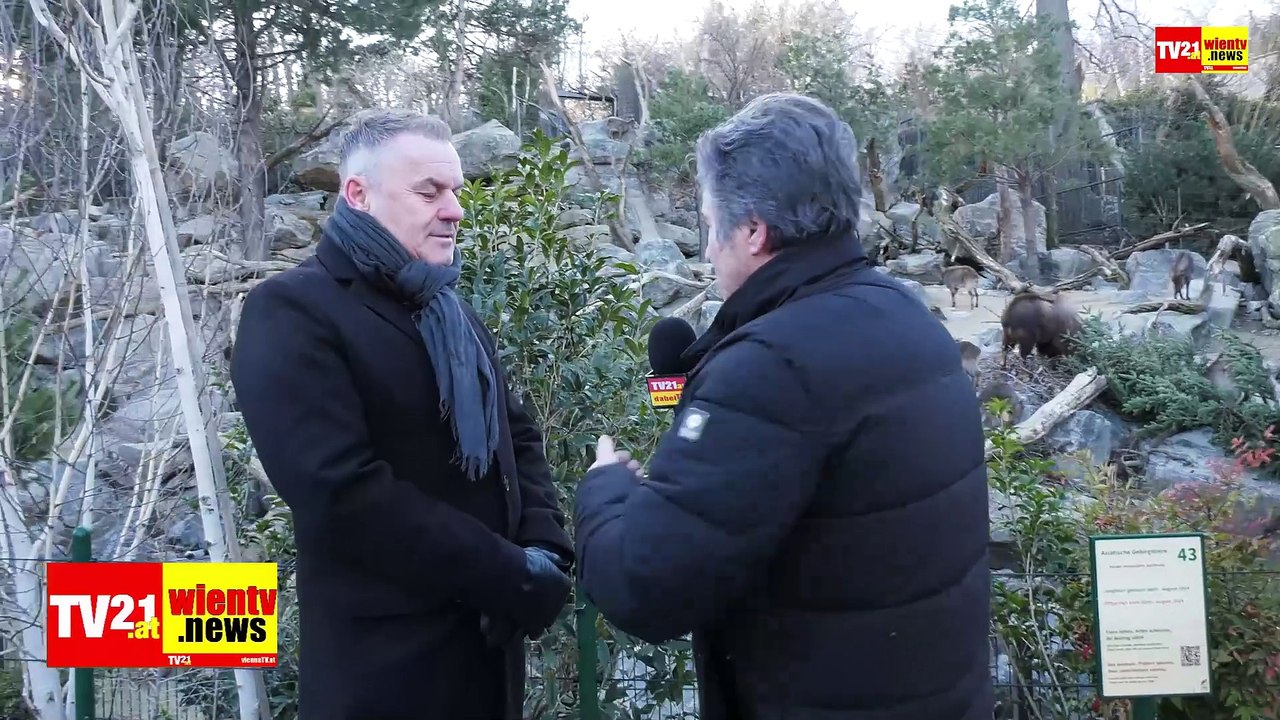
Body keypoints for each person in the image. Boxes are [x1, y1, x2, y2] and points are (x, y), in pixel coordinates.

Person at [573, 93, 994, 720]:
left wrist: (604, 492)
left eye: (713, 226)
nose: (709, 249)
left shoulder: (771, 367)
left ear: (751, 231)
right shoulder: (906, 314)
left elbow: (647, 588)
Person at [230, 109, 574, 720]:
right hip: (385, 675)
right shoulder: (290, 312)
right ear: (357, 194)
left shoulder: (449, 310)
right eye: (429, 192)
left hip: (489, 665)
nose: (455, 210)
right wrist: (506, 574)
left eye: (456, 193)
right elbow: (342, 493)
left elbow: (515, 433)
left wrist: (544, 548)